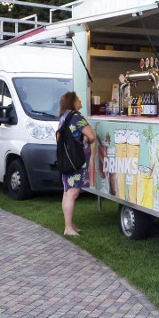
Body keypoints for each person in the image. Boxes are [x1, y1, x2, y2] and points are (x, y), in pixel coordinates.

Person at [58, 91, 96, 236]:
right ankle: (68, 228)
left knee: (67, 193)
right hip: (76, 161)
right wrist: (87, 140)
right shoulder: (76, 116)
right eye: (78, 99)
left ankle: (70, 224)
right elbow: (91, 136)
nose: (80, 100)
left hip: (66, 160)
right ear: (72, 102)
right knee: (72, 194)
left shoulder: (63, 116)